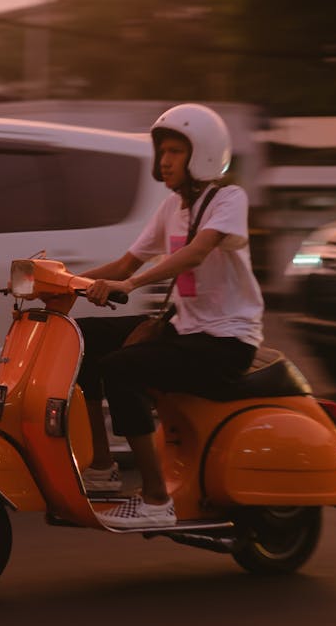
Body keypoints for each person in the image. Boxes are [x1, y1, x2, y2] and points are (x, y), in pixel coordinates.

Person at [75, 103, 264, 529]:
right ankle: (102, 468)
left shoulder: (228, 199)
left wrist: (133, 287)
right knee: (80, 336)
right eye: (163, 151)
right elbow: (124, 265)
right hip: (185, 329)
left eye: (176, 150)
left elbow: (196, 252)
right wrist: (61, 282)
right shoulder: (170, 209)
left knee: (122, 370)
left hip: (226, 341)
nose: (165, 160)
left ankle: (156, 499)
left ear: (204, 153)